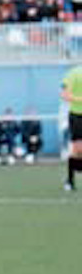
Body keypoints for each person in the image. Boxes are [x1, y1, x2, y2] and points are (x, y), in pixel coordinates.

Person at [63, 63, 82, 191]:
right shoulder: (73, 73)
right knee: (77, 149)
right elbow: (65, 95)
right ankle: (70, 180)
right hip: (77, 116)